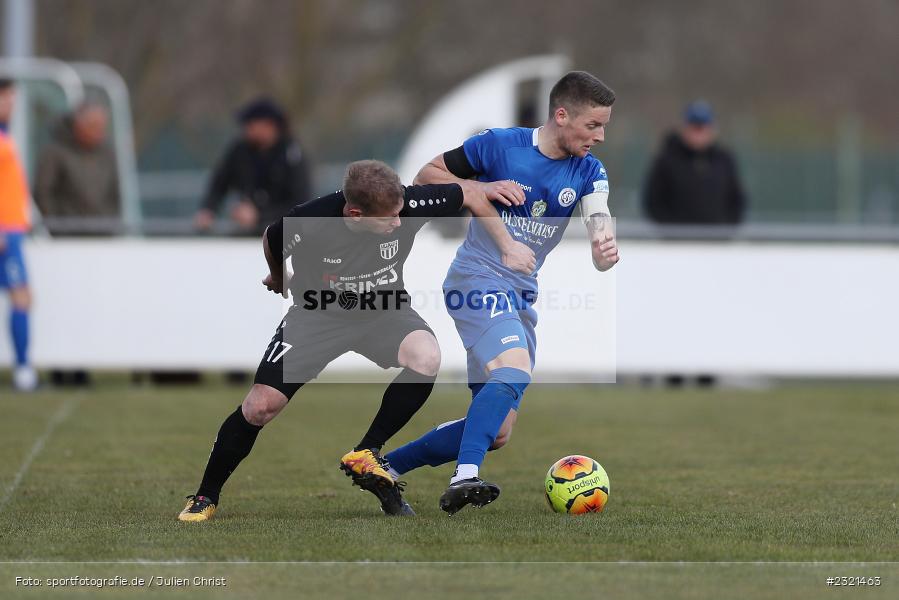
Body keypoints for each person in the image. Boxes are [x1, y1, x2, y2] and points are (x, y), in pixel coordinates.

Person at [178, 159, 528, 521]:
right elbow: (273, 237)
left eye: (400, 213)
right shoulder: (311, 220)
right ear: (355, 213)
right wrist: (279, 277)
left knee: (426, 356)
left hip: (383, 310)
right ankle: (205, 496)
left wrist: (489, 197)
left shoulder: (408, 203)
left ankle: (368, 451)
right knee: (259, 407)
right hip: (317, 315)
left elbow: (469, 193)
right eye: (389, 218)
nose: (399, 222)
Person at [381, 71, 620, 515]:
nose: (600, 136)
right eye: (593, 125)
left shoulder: (589, 170)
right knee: (513, 369)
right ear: (562, 115)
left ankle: (384, 468)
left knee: (500, 429)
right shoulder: (499, 145)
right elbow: (425, 174)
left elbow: (598, 219)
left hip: (519, 296)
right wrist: (479, 188)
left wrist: (602, 247)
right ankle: (464, 476)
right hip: (477, 279)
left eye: (604, 126)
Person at [194, 98, 312, 236]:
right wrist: (208, 209)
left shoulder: (292, 155)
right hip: (246, 233)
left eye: (251, 124)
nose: (246, 129)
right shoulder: (240, 150)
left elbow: (300, 202)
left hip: (284, 236)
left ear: (269, 125)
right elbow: (220, 183)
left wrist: (259, 215)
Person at [643, 100, 746, 225]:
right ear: (684, 127)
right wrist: (672, 231)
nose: (699, 133)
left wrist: (725, 229)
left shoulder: (724, 160)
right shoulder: (667, 160)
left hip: (718, 240)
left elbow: (737, 200)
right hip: (676, 241)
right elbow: (653, 202)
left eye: (703, 127)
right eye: (694, 127)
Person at [0, 79, 37, 391]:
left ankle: (24, 368)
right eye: (6, 98)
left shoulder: (5, 133)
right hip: (4, 232)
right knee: (21, 297)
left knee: (23, 298)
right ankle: (24, 371)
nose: (10, 104)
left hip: (13, 229)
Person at [34, 102, 120, 235]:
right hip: (67, 236)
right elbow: (43, 192)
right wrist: (57, 227)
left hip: (103, 234)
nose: (99, 133)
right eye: (93, 126)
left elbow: (115, 192)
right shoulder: (55, 152)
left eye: (102, 127)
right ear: (78, 125)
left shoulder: (107, 153)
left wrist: (111, 223)